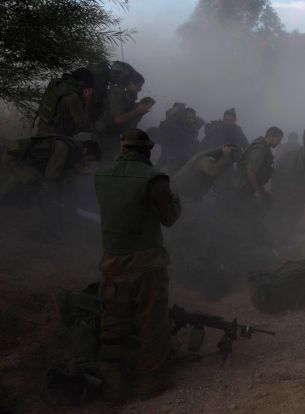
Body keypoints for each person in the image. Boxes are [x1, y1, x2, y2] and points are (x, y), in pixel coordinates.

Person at [94, 128, 181, 402]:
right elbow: (169, 218)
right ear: (147, 151)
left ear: (123, 148)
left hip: (112, 262)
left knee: (114, 325)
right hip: (146, 264)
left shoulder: (101, 176)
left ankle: (112, 385)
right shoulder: (153, 179)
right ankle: (151, 383)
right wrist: (175, 199)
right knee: (151, 322)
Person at [93, 70, 153, 163]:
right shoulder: (116, 94)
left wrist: (139, 108)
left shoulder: (128, 96)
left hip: (112, 136)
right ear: (130, 83)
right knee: (104, 164)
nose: (140, 89)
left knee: (112, 164)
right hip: (102, 136)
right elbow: (118, 119)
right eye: (139, 85)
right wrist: (137, 111)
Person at [36, 68, 95, 137]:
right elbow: (83, 124)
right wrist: (87, 100)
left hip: (41, 132)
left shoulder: (56, 84)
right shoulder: (73, 97)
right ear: (82, 83)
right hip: (57, 137)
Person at [153, 103, 204, 174]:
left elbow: (201, 121)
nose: (191, 120)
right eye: (189, 118)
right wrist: (178, 108)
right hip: (169, 149)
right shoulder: (176, 124)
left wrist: (191, 115)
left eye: (193, 118)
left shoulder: (193, 127)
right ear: (184, 116)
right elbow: (168, 115)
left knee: (174, 173)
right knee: (160, 164)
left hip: (181, 155)